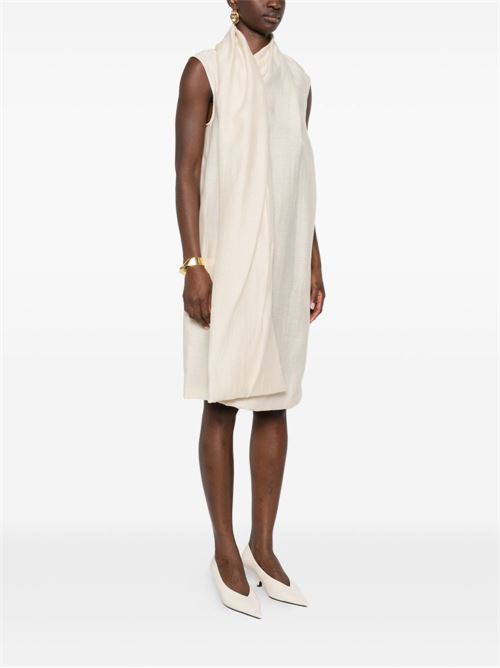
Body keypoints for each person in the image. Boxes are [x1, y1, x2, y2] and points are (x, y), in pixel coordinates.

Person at [175, 0, 325, 618]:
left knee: (276, 398)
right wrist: (194, 263)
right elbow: (186, 173)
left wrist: (313, 256)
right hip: (227, 259)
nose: (276, 2)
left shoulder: (298, 80)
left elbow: (297, 175)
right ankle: (223, 549)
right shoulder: (204, 70)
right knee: (222, 397)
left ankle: (262, 545)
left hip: (284, 259)